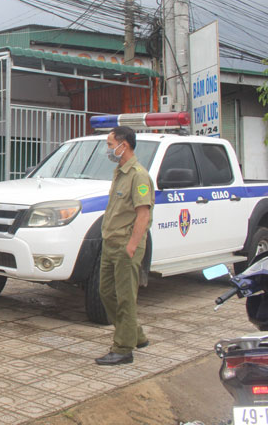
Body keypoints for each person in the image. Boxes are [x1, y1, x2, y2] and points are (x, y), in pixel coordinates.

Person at [95, 125, 154, 366]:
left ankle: (123, 348)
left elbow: (143, 215)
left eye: (110, 145)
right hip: (111, 243)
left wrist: (131, 246)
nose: (108, 150)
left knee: (125, 298)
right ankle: (136, 335)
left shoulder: (139, 175)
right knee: (105, 292)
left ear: (124, 145)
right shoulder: (119, 171)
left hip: (125, 246)